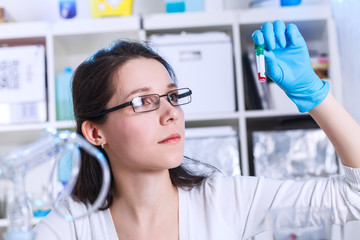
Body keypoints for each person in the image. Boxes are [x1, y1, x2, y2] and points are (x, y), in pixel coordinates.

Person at [34, 20, 360, 239]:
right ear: (94, 133)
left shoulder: (224, 200)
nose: (171, 113)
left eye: (172, 96)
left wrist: (314, 94)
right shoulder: (68, 228)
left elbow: (353, 198)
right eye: (143, 101)